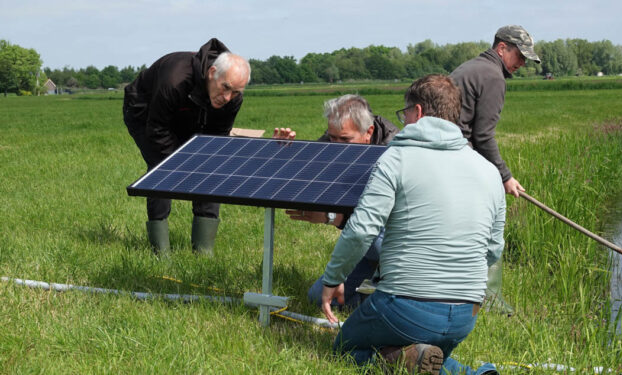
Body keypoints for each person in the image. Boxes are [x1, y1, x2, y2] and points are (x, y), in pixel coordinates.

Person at [320, 75, 505, 375]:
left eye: (404, 113)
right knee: (426, 355)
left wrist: (333, 279)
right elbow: (493, 250)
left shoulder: (397, 158)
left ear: (417, 113)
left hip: (404, 307)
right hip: (466, 313)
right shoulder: (488, 170)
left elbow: (362, 230)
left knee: (345, 349)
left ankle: (412, 358)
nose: (403, 120)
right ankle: (464, 371)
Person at [123, 38, 251, 255]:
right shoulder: (175, 80)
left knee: (210, 168)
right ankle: (160, 251)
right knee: (161, 169)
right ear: (212, 73)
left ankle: (203, 250)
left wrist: (204, 165)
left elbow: (217, 140)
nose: (228, 97)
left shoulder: (232, 98)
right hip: (145, 112)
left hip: (192, 113)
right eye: (225, 88)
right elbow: (157, 130)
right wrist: (181, 167)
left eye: (236, 92)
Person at [273, 94, 399, 308]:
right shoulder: (330, 145)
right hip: (364, 246)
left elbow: (383, 226)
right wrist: (283, 156)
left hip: (398, 244)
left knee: (372, 239)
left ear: (368, 133)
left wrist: (334, 218)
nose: (337, 146)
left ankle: (393, 292)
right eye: (332, 138)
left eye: (345, 140)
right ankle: (370, 297)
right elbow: (302, 180)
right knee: (318, 298)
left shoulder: (396, 153)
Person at [450, 25, 540, 312]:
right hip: (458, 152)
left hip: (445, 150)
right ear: (502, 48)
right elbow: (483, 136)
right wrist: (504, 176)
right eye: (520, 56)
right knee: (489, 219)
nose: (523, 64)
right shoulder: (493, 76)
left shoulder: (472, 67)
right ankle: (487, 298)